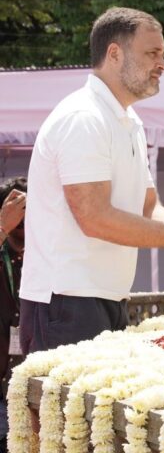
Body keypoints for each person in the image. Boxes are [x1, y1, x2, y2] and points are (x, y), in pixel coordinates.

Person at [19, 7, 164, 355]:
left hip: (102, 298)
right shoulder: (83, 117)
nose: (163, 64)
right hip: (65, 302)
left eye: (163, 55)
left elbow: (148, 207)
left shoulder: (128, 121)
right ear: (115, 53)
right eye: (152, 53)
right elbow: (94, 218)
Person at [0, 177, 26, 453]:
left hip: (31, 390)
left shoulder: (45, 255)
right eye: (17, 221)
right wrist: (2, 227)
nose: (24, 229)